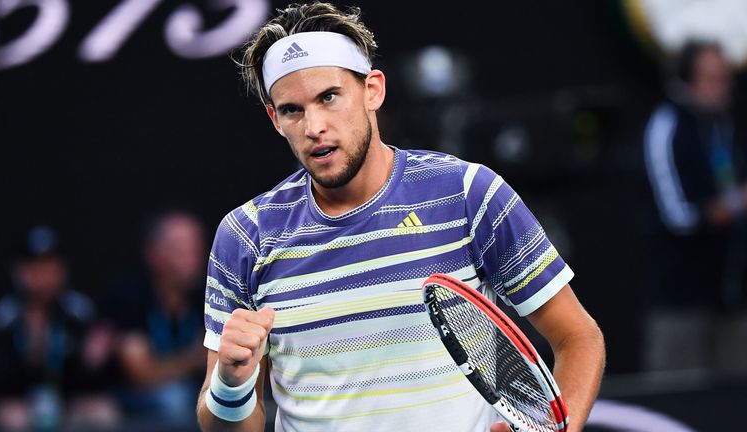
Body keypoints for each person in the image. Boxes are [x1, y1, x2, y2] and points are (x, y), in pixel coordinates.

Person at [196, 3, 605, 431]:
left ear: (373, 90)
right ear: (274, 119)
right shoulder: (245, 235)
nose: (313, 125)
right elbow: (223, 425)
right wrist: (230, 383)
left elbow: (578, 338)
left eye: (329, 97)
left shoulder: (468, 193)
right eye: (292, 110)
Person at [642, 39, 747, 371]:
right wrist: (734, 205)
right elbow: (676, 215)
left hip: (729, 295)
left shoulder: (721, 124)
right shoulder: (666, 126)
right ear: (688, 81)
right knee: (678, 404)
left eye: (724, 78)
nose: (723, 88)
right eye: (712, 79)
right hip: (679, 299)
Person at [0, 225, 120, 431]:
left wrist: (92, 362)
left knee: (103, 411)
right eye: (35, 269)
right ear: (19, 271)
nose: (43, 277)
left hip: (65, 401)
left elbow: (93, 381)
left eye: (50, 268)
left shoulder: (80, 312)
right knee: (14, 418)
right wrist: (30, 357)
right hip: (19, 402)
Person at [107, 210, 209, 427]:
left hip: (195, 390)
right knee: (174, 399)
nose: (194, 257)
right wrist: (193, 359)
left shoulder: (208, 293)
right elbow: (140, 373)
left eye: (196, 248)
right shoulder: (131, 295)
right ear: (155, 253)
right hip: (135, 397)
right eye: (181, 249)